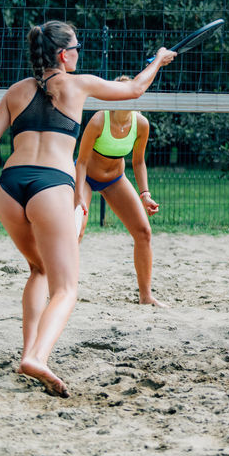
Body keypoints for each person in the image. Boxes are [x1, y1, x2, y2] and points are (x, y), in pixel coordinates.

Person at [0, 21, 175, 396]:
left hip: (8, 188)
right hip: (50, 186)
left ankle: (28, 352)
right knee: (66, 288)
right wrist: (158, 61)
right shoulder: (77, 84)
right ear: (63, 55)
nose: (80, 53)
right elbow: (134, 89)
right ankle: (38, 357)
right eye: (76, 48)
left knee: (38, 269)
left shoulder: (16, 91)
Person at [74, 77, 167, 307]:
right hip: (86, 178)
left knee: (144, 231)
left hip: (115, 179)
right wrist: (77, 195)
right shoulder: (98, 121)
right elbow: (82, 161)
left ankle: (146, 296)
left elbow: (138, 162)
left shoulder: (141, 123)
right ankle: (61, 290)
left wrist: (145, 194)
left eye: (133, 93)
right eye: (123, 92)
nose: (129, 96)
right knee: (77, 230)